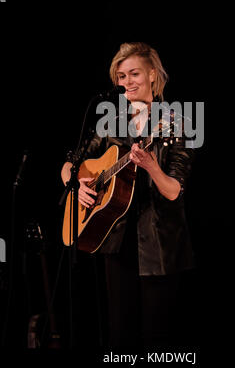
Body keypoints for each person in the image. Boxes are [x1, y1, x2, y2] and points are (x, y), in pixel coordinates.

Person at [61, 42, 196, 349]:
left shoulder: (176, 122)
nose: (126, 82)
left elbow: (175, 190)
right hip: (115, 239)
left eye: (134, 73)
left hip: (159, 244)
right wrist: (77, 183)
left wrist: (151, 167)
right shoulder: (110, 122)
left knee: (156, 337)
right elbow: (71, 164)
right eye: (121, 76)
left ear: (152, 74)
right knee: (120, 335)